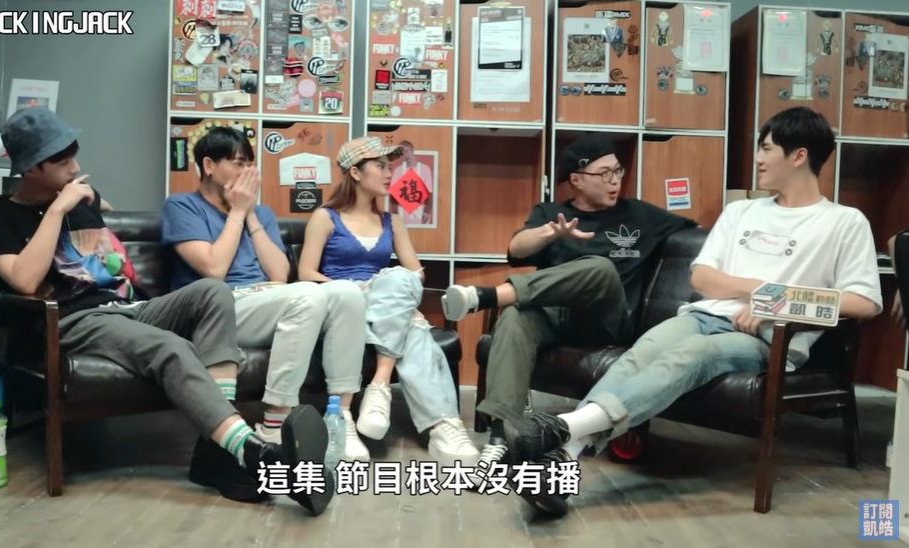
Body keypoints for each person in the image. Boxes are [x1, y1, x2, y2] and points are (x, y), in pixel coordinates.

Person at [501, 106, 884, 516]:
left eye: (766, 148)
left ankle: (561, 430)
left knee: (692, 355)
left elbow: (864, 302)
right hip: (702, 316)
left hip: (765, 337)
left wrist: (776, 305)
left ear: (799, 156)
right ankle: (562, 460)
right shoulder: (741, 212)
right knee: (643, 352)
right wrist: (760, 292)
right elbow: (702, 277)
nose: (757, 158)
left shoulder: (844, 222)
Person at [0, 107, 334, 515]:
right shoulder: (0, 218)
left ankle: (215, 451)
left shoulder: (80, 199)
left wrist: (88, 203)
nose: (75, 168)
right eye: (62, 161)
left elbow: (104, 227)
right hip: (77, 320)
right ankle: (254, 454)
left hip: (129, 307)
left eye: (74, 157)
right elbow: (24, 281)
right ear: (32, 167)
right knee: (170, 347)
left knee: (213, 292)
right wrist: (55, 211)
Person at [440, 133, 697, 479]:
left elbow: (700, 234)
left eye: (617, 170)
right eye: (604, 173)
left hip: (608, 320)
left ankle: (486, 296)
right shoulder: (550, 214)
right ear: (576, 179)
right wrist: (549, 233)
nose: (615, 180)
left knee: (599, 268)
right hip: (556, 318)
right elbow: (517, 248)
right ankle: (502, 437)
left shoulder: (641, 215)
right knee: (515, 316)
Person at [160, 126, 371, 462]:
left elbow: (278, 275)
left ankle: (340, 417)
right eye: (237, 163)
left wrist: (250, 215)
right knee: (308, 296)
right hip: (218, 310)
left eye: (249, 164)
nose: (247, 172)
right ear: (209, 165)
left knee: (347, 293)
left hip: (265, 299)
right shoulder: (182, 207)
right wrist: (237, 212)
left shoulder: (261, 215)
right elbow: (214, 270)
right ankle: (276, 423)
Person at [296, 137, 479, 466]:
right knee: (411, 324)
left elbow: (415, 274)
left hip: (384, 305)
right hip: (342, 303)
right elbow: (306, 272)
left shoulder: (391, 222)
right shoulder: (326, 217)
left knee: (402, 287)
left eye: (389, 166)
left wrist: (389, 289)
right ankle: (438, 421)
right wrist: (357, 290)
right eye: (380, 166)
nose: (388, 173)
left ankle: (418, 412)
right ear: (355, 172)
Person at [391, 141, 434, 226]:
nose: (404, 154)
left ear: (410, 151)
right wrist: (394, 215)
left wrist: (426, 211)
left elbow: (429, 193)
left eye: (405, 151)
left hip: (420, 214)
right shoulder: (398, 171)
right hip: (402, 214)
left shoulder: (425, 169)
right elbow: (393, 196)